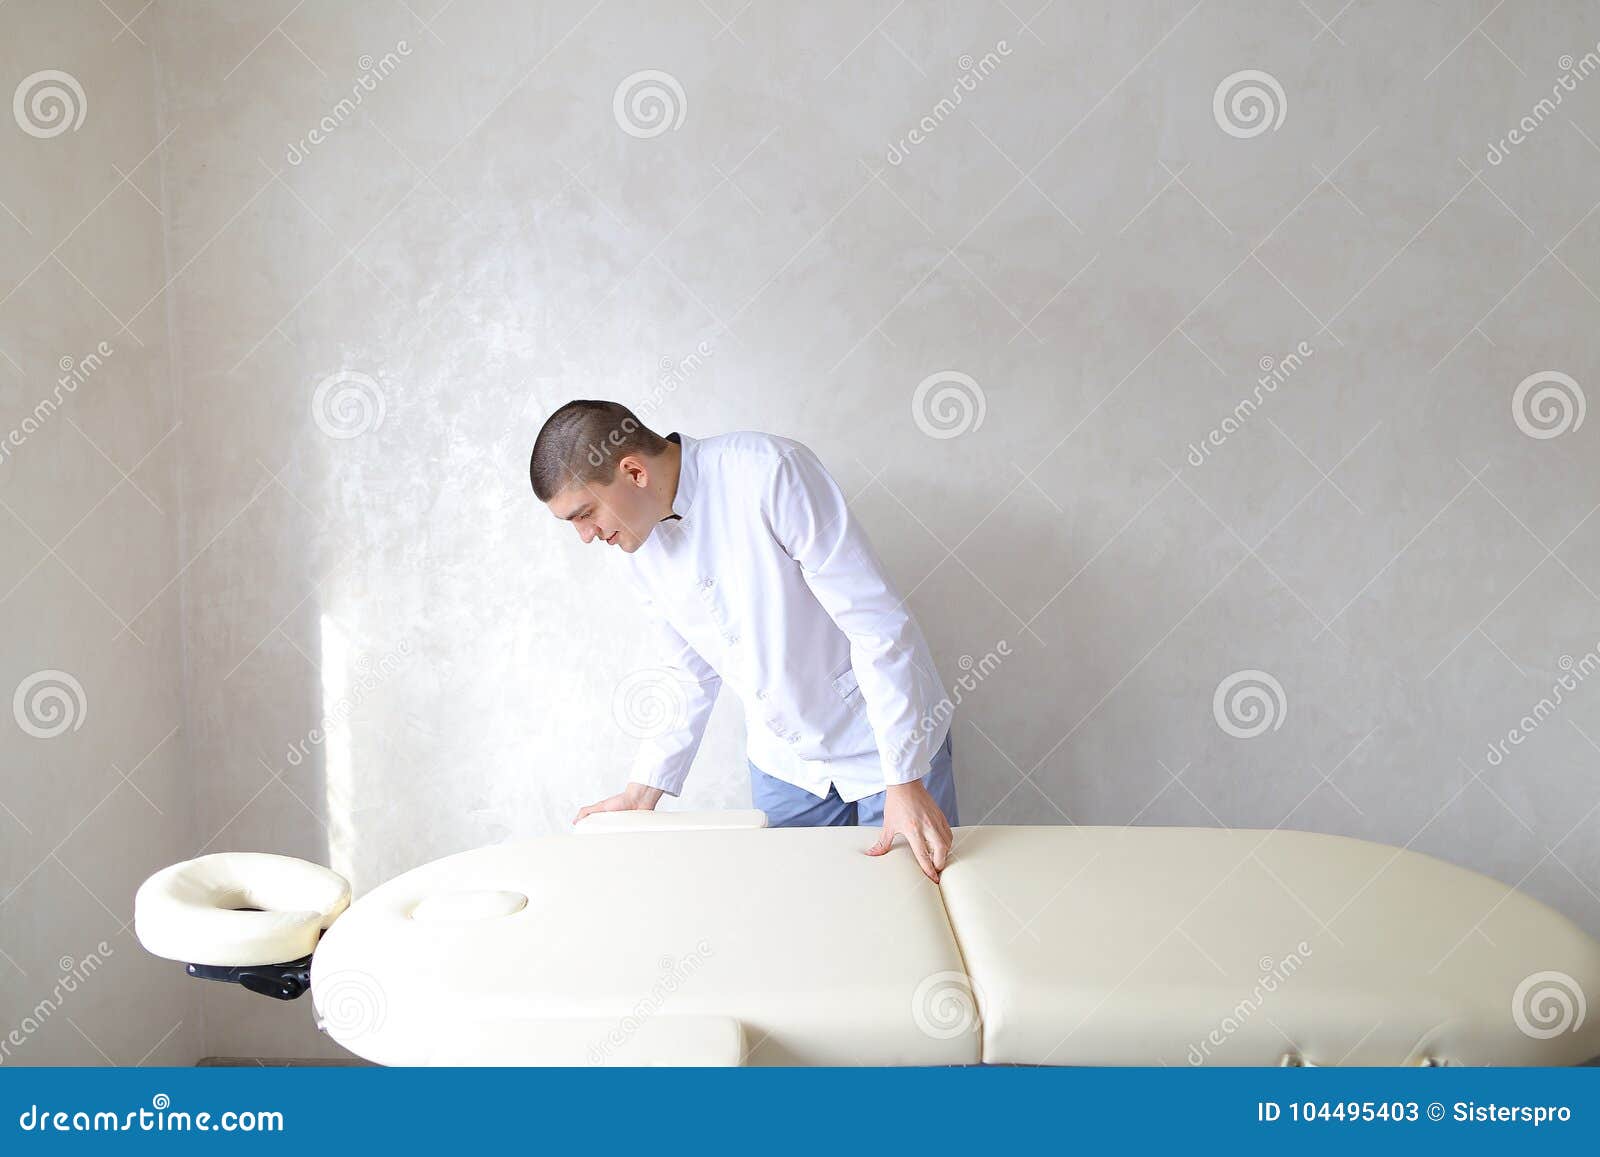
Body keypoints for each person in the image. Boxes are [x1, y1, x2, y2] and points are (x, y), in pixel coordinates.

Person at [529, 400, 958, 882]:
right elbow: (688, 671)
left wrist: (903, 776)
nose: (585, 536)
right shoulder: (632, 543)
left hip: (882, 741)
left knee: (913, 908)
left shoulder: (768, 472)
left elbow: (876, 625)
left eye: (584, 514)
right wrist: (642, 790)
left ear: (633, 471)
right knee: (806, 919)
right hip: (784, 765)